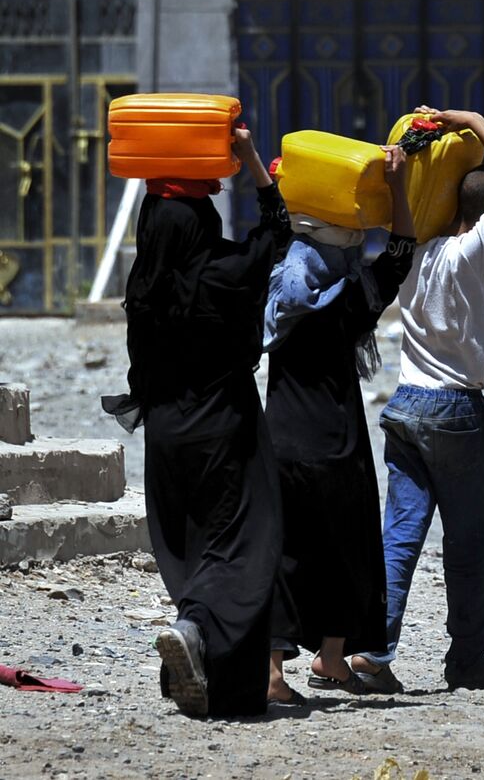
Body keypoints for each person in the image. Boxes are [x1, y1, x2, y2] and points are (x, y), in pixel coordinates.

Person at [102, 127, 292, 718]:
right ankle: (194, 631)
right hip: (224, 430)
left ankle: (213, 675)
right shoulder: (227, 272)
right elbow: (278, 231)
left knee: (189, 547)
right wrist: (253, 161)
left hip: (163, 435)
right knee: (243, 543)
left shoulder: (143, 288)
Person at [348, 109, 484, 694]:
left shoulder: (416, 255)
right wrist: (474, 120)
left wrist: (402, 184)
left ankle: (371, 654)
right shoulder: (475, 251)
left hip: (405, 407)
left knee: (400, 535)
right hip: (455, 412)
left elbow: (400, 229)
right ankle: (468, 660)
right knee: (473, 545)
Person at [262, 146, 417, 704]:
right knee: (347, 550)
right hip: (336, 442)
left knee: (279, 551)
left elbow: (274, 217)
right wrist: (398, 187)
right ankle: (332, 657)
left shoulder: (282, 283)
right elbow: (398, 253)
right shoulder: (352, 297)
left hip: (276, 439)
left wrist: (260, 163)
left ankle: (273, 675)